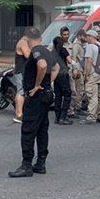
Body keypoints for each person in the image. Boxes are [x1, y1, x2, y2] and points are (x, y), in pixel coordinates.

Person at [9, 27, 57, 178]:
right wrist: (48, 83)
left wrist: (37, 85)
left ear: (27, 38)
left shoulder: (36, 50)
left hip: (36, 97)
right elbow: (55, 68)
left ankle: (26, 165)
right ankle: (41, 163)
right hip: (47, 95)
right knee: (42, 130)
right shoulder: (47, 51)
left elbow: (42, 65)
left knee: (28, 130)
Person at [82, 29, 100, 123]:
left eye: (87, 36)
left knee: (92, 95)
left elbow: (89, 61)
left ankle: (91, 117)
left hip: (93, 74)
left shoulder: (90, 46)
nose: (86, 38)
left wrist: (86, 75)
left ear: (90, 36)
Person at [12, 28, 35, 124]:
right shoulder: (23, 42)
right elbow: (27, 55)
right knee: (21, 92)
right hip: (21, 71)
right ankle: (19, 115)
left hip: (23, 71)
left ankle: (22, 113)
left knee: (23, 91)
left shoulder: (25, 42)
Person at [52, 36, 74, 124]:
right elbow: (69, 60)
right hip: (63, 74)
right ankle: (63, 117)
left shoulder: (52, 52)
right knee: (67, 95)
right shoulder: (64, 50)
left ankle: (57, 117)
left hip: (56, 75)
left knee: (58, 96)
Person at [67, 27, 86, 118]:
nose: (85, 38)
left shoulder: (81, 45)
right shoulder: (76, 45)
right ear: (79, 36)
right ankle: (74, 109)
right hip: (77, 70)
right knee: (77, 90)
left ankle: (78, 107)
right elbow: (74, 58)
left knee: (80, 90)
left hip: (80, 69)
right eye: (84, 36)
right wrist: (75, 69)